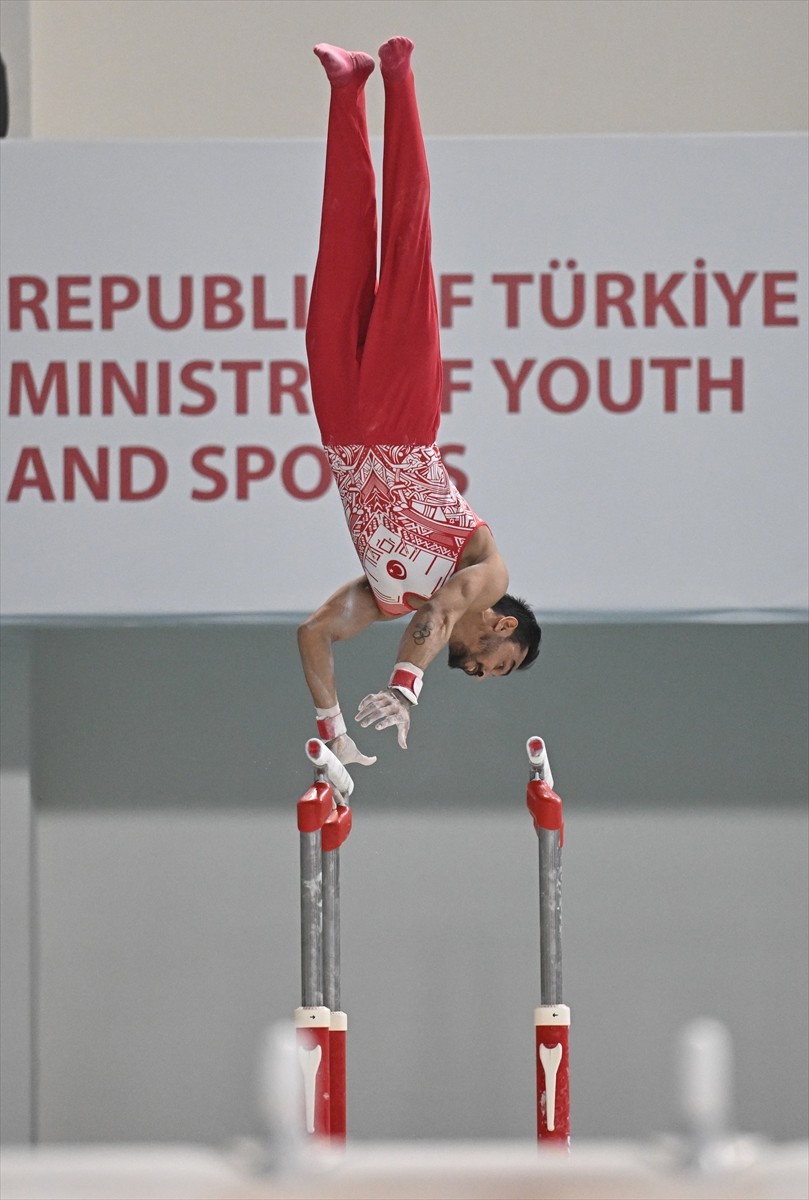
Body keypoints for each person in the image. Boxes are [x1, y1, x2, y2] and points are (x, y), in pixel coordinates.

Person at [299, 37, 541, 766]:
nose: (473, 671)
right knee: (405, 239)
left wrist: (333, 730)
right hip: (404, 421)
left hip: (341, 424)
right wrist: (406, 684)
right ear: (498, 624)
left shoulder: (384, 600)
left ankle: (347, 87)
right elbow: (441, 612)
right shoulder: (488, 571)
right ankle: (398, 81)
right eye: (491, 663)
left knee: (341, 237)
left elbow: (313, 633)